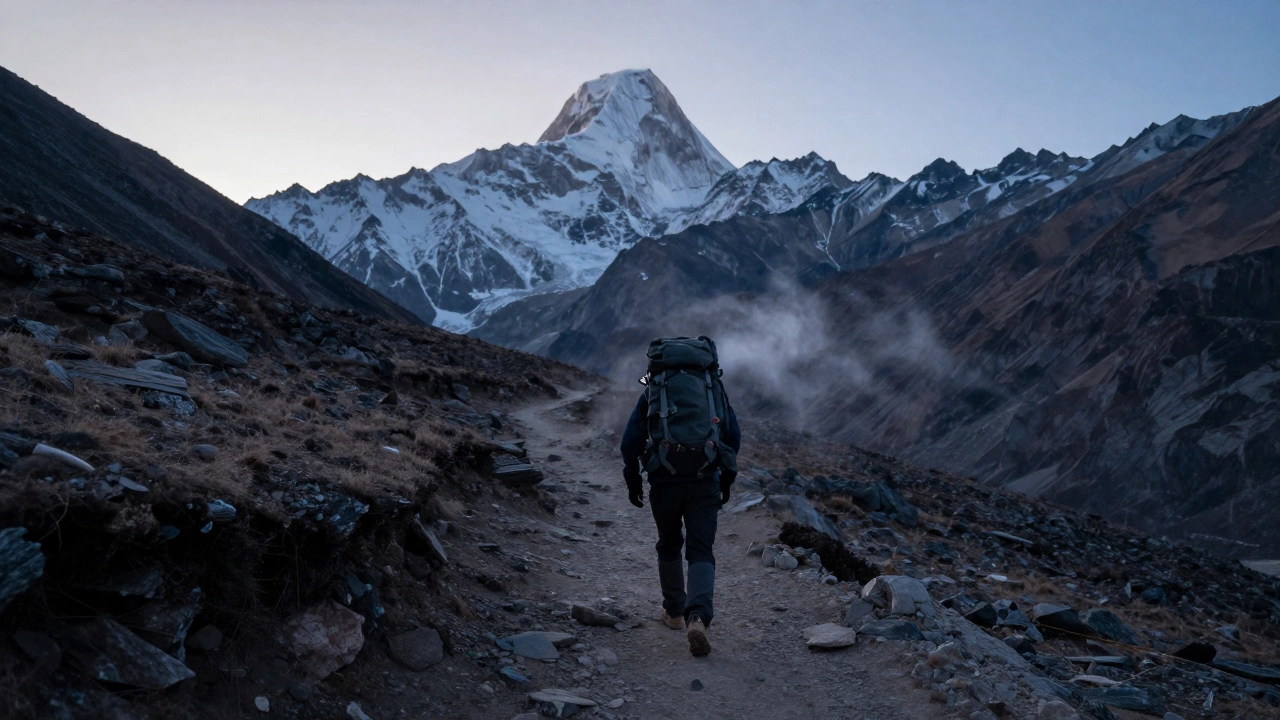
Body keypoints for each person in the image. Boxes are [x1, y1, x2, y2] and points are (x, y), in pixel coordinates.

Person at [620, 336, 741, 657]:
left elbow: (630, 439)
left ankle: (674, 612)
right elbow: (732, 434)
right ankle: (698, 616)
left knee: (669, 543)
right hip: (705, 477)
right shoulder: (711, 385)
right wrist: (726, 478)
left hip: (665, 478)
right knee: (701, 550)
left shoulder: (655, 384)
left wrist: (632, 478)